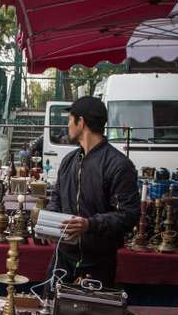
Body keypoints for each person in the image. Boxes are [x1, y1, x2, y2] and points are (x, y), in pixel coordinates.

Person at [46, 96, 141, 286]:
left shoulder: (119, 165)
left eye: (69, 119)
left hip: (97, 264)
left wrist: (89, 224)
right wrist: (49, 224)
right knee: (50, 310)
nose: (67, 125)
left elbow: (129, 215)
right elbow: (56, 198)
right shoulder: (68, 161)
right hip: (62, 259)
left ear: (80, 122)